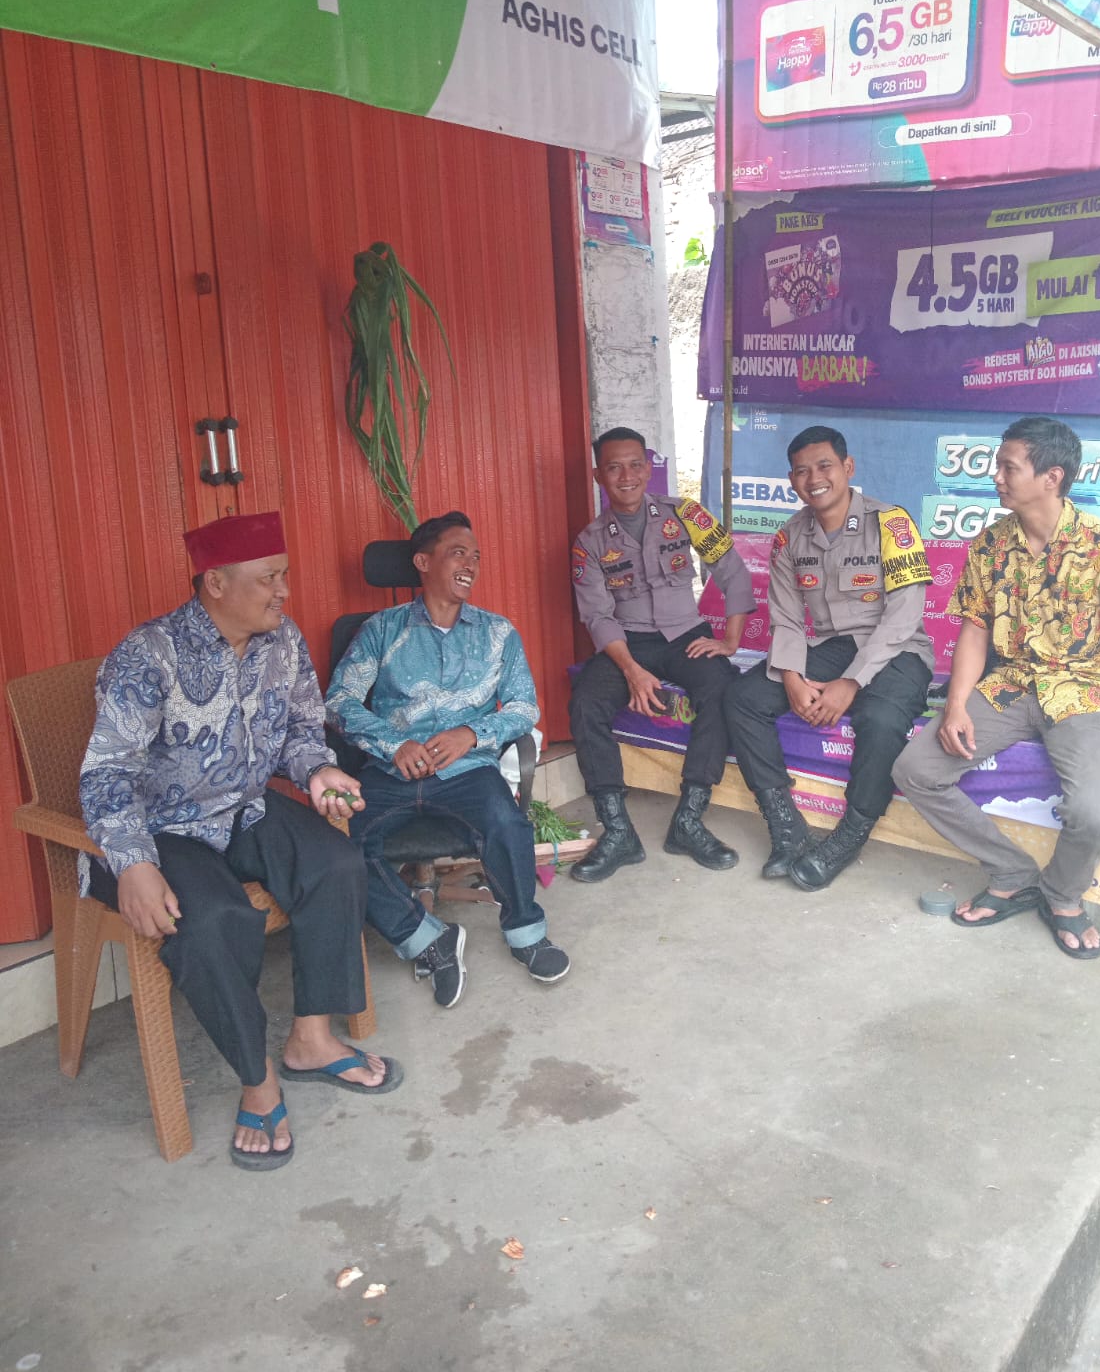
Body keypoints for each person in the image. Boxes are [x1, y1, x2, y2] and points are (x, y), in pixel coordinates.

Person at [80, 512, 399, 1173]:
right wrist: (132, 862)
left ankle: (311, 1039)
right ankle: (257, 1079)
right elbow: (106, 772)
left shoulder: (282, 641)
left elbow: (301, 731)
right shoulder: (148, 655)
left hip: (246, 808)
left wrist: (318, 771)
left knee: (337, 862)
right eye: (269, 578)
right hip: (165, 828)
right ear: (216, 584)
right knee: (214, 920)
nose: (284, 591)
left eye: (284, 575)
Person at [893, 416, 1100, 960]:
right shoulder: (991, 544)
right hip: (1011, 685)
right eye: (997, 466)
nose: (996, 476)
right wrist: (956, 705)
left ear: (1052, 477)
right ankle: (1012, 873)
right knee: (915, 770)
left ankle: (1062, 895)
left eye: (1008, 467)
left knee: (1093, 813)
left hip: (1088, 692)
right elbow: (975, 628)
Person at [326, 511, 569, 1006]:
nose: (471, 565)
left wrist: (471, 734)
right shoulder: (381, 630)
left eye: (475, 556)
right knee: (337, 851)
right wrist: (393, 744)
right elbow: (338, 701)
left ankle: (526, 934)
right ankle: (427, 939)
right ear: (423, 562)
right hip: (392, 771)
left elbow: (524, 707)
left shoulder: (498, 633)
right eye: (458, 553)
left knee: (506, 823)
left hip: (466, 772)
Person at [725, 425, 934, 888]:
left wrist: (852, 682)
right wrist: (792, 677)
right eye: (801, 471)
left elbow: (904, 616)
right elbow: (785, 617)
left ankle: (850, 834)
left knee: (880, 718)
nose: (814, 478)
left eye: (824, 466)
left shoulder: (892, 523)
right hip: (833, 647)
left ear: (848, 467)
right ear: (791, 480)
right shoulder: (789, 537)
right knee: (743, 698)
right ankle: (786, 825)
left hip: (898, 649)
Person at [568, 426, 755, 882]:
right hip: (627, 641)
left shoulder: (686, 514)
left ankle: (689, 820)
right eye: (614, 467)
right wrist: (632, 671)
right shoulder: (589, 542)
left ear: (649, 467)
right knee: (586, 701)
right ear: (598, 475)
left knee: (721, 689)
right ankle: (618, 832)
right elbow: (598, 617)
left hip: (685, 634)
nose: (627, 476)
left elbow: (733, 573)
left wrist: (730, 641)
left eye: (636, 465)